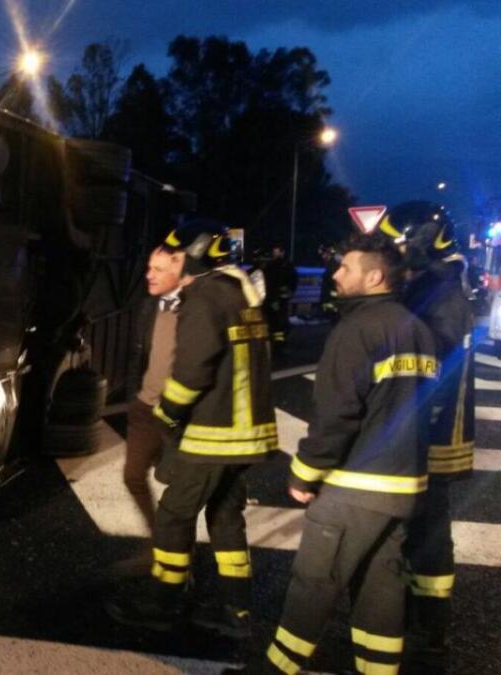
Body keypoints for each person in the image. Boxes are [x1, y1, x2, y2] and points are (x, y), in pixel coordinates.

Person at [257, 233, 439, 674]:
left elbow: (335, 415)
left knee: (314, 583)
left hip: (355, 486)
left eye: (346, 268)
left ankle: (274, 669)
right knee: (381, 586)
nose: (335, 275)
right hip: (404, 487)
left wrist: (304, 475)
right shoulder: (417, 329)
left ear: (374, 276)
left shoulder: (356, 329)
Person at [105, 219, 277, 639]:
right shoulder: (241, 294)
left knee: (174, 515)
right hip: (245, 436)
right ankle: (237, 612)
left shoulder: (204, 297)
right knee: (224, 519)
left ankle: (164, 602)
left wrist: (167, 413)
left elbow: (193, 369)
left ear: (196, 255)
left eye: (177, 256)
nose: (171, 264)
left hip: (213, 435)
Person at [381, 202, 475, 668]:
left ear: (421, 241)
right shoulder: (433, 285)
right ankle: (419, 619)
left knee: (430, 532)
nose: (392, 253)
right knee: (421, 528)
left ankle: (429, 630)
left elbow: (429, 369)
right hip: (425, 430)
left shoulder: (442, 295)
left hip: (433, 435)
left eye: (398, 244)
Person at [115, 245, 185, 572]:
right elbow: (139, 354)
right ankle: (157, 547)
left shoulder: (197, 309)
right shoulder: (149, 306)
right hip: (145, 409)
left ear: (180, 271)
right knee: (132, 476)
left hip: (178, 415)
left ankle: (178, 566)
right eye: (148, 267)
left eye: (157, 269)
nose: (148, 275)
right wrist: (135, 396)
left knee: (179, 492)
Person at [262, 244, 298, 349]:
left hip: (281, 299)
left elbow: (293, 280)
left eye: (277, 252)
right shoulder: (271, 266)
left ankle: (279, 344)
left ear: (282, 252)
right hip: (272, 298)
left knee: (280, 322)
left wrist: (290, 291)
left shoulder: (286, 266)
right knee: (274, 321)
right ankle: (276, 342)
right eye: (274, 252)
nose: (275, 254)